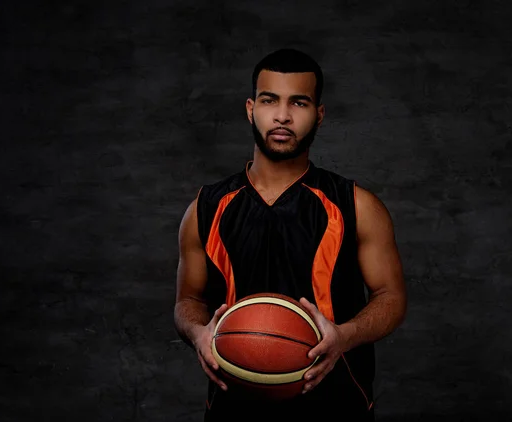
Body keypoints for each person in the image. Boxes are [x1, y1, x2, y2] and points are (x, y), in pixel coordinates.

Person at [174, 48, 407, 422]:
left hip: (335, 405)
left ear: (319, 114)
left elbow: (391, 297)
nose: (282, 116)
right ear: (251, 108)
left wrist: (343, 336)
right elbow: (187, 300)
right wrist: (200, 334)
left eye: (299, 103)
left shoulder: (357, 206)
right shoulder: (206, 207)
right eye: (270, 100)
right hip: (233, 407)